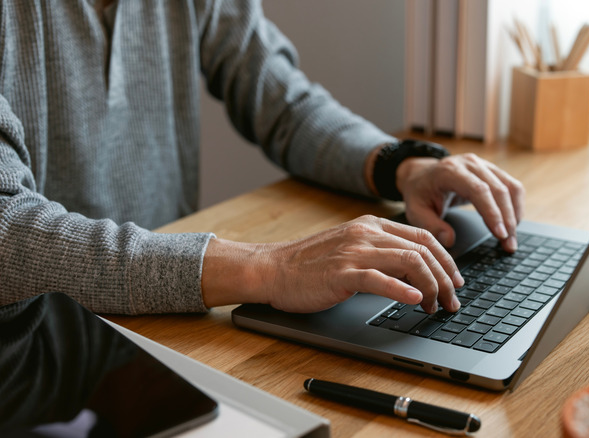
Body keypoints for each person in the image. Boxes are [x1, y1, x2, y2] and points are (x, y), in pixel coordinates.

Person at [0, 1, 524, 316]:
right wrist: (268, 267)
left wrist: (402, 166)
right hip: (27, 342)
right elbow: (6, 232)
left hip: (169, 320)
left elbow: (280, 98)